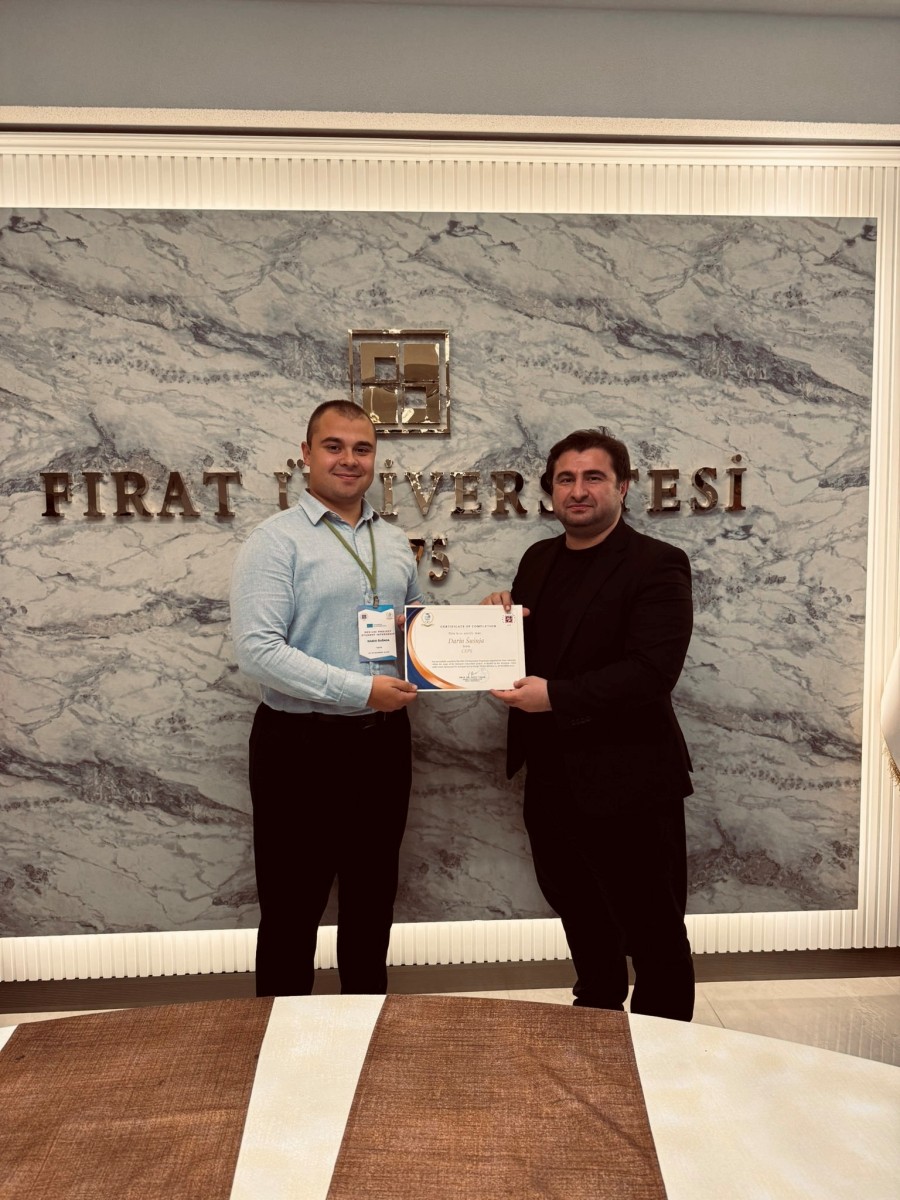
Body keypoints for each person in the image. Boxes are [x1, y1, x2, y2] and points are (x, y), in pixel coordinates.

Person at [483, 429, 695, 1020]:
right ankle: (596, 1019)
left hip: (632, 782)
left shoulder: (657, 563)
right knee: (579, 913)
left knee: (653, 932)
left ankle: (664, 1051)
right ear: (551, 490)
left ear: (623, 487)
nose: (578, 491)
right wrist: (494, 621)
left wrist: (555, 697)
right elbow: (527, 650)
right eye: (566, 479)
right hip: (551, 779)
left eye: (593, 477)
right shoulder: (538, 559)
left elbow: (652, 672)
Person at [230, 399, 421, 997]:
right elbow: (258, 651)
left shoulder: (393, 541)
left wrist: (489, 628)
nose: (349, 459)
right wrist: (362, 689)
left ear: (375, 458)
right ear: (306, 454)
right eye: (333, 446)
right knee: (291, 910)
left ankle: (365, 1029)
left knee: (372, 904)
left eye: (362, 448)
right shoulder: (275, 541)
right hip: (299, 747)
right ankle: (283, 1041)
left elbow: (415, 623)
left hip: (382, 745)